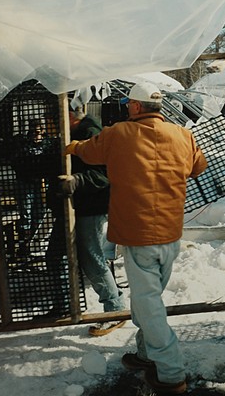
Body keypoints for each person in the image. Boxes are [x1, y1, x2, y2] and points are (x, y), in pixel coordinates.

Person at [66, 82, 207, 395]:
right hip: (170, 234)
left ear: (136, 107)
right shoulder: (182, 134)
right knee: (149, 300)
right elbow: (199, 166)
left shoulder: (118, 134)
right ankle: (146, 355)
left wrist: (70, 147)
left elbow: (88, 152)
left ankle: (171, 373)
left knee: (149, 305)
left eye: (130, 102)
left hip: (138, 235)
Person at [55, 104, 126, 336]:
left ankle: (114, 309)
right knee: (79, 255)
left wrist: (77, 180)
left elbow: (104, 174)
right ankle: (107, 302)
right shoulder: (75, 132)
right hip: (81, 204)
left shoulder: (89, 133)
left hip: (91, 205)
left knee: (92, 256)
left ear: (70, 114)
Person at [9, 117, 58, 260]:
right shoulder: (23, 144)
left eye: (39, 130)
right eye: (34, 130)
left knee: (41, 212)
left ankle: (37, 244)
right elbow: (15, 160)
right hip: (26, 182)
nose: (37, 134)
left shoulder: (48, 144)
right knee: (26, 212)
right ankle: (25, 245)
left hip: (43, 182)